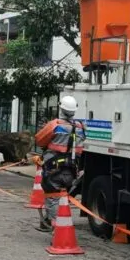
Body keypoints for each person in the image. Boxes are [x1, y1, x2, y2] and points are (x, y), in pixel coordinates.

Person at [33, 95, 86, 232]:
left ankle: (59, 230)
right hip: (71, 169)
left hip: (53, 168)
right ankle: (48, 221)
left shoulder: (55, 125)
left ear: (61, 108)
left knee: (52, 197)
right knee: (62, 197)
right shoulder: (80, 127)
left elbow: (39, 140)